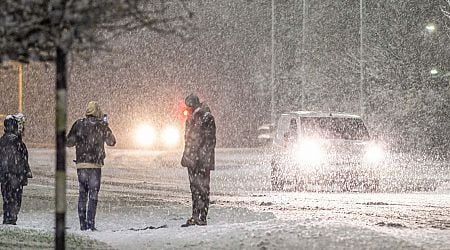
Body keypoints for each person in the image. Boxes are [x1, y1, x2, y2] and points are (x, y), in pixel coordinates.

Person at [66, 101, 116, 231]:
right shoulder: (102, 125)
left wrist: (79, 138)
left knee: (82, 193)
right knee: (93, 195)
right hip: (95, 164)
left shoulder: (78, 124)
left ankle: (82, 224)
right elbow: (112, 142)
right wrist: (106, 127)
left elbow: (69, 142)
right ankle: (90, 223)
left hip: (81, 164)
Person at [181, 94, 216, 227]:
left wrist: (200, 157)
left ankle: (202, 216)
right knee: (195, 188)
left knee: (202, 189)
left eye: (189, 106)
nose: (187, 109)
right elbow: (188, 140)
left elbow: (209, 141)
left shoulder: (206, 118)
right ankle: (195, 215)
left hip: (201, 161)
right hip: (193, 160)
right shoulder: (191, 119)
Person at [0, 114, 32, 225]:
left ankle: (7, 217)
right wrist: (25, 173)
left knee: (7, 198)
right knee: (16, 198)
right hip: (16, 176)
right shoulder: (19, 143)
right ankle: (12, 217)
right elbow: (24, 158)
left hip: (4, 176)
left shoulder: (1, 142)